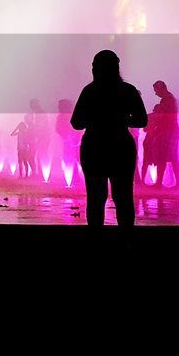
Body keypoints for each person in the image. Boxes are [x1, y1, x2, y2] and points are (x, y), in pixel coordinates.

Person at [70, 50, 147, 230]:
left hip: (94, 147)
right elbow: (142, 120)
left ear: (95, 68)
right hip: (121, 146)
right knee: (124, 196)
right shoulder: (128, 90)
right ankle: (126, 241)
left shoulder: (89, 91)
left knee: (96, 196)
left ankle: (96, 241)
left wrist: (95, 119)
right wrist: (120, 119)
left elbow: (75, 122)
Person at [142, 80, 179, 188]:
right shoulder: (170, 99)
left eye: (156, 90)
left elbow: (162, 117)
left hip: (169, 131)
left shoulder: (167, 100)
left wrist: (154, 125)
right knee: (172, 157)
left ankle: (160, 183)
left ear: (162, 88)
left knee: (162, 157)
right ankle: (177, 183)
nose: (156, 93)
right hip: (171, 131)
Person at [10, 113, 35, 178]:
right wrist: (16, 128)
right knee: (20, 162)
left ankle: (26, 174)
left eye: (20, 127)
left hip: (24, 149)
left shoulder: (25, 132)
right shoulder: (19, 132)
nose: (20, 128)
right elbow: (12, 134)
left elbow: (27, 140)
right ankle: (21, 175)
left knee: (24, 162)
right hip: (20, 149)